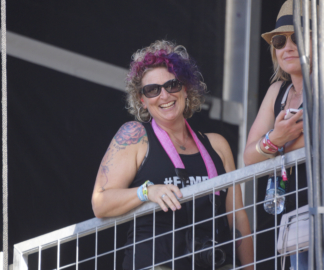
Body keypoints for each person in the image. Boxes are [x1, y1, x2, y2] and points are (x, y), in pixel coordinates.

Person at [92, 40, 254, 270]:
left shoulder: (217, 145)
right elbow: (100, 203)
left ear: (186, 88)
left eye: (172, 85)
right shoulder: (135, 136)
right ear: (142, 100)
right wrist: (147, 191)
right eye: (152, 89)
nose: (164, 95)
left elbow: (238, 219)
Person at [243, 0, 324, 268]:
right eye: (280, 41)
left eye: (298, 37)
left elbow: (322, 135)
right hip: (296, 218)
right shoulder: (277, 91)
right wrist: (276, 140)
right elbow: (248, 158)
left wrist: (272, 145)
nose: (288, 47)